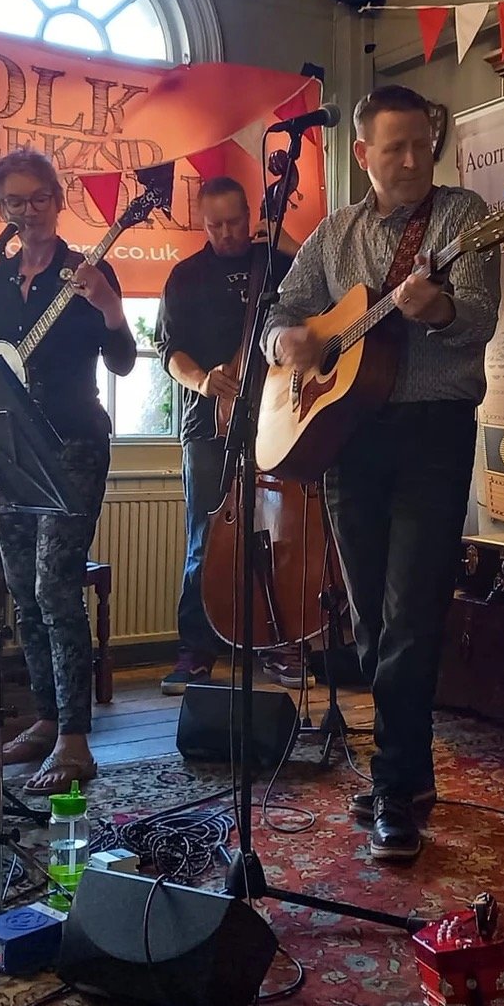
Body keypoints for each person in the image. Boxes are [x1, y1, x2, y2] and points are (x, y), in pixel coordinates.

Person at [263, 84, 500, 862]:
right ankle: (412, 770)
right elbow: (284, 311)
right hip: (346, 435)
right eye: (393, 147)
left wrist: (433, 311)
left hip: (432, 433)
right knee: (368, 615)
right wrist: (286, 346)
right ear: (361, 154)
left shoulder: (465, 217)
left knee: (412, 610)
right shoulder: (333, 235)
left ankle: (396, 790)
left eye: (421, 144)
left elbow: (480, 317)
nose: (409, 160)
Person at [0, 147, 136, 794]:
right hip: (8, 451)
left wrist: (109, 305)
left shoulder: (87, 270)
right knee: (20, 590)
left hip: (73, 444)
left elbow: (121, 363)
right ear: (0, 209)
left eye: (39, 199)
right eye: (14, 202)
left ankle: (75, 738)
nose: (28, 212)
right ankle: (46, 714)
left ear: (58, 201)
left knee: (55, 584)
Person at [153, 176, 294, 696]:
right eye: (215, 225)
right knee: (204, 538)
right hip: (207, 425)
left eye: (235, 221)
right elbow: (169, 352)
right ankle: (197, 649)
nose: (227, 232)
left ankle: (282, 640)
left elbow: (322, 293)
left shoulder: (277, 262)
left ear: (250, 213)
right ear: (202, 221)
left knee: (281, 534)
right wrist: (205, 381)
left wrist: (282, 241)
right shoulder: (186, 277)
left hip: (279, 416)